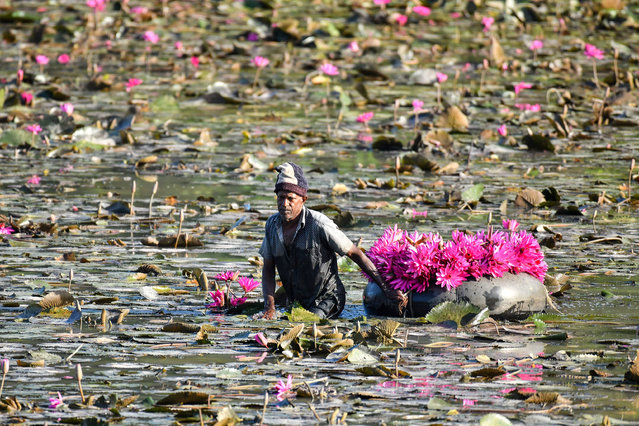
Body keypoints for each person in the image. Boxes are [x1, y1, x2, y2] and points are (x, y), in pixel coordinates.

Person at [259, 162, 406, 319]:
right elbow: (268, 267)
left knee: (309, 324)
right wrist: (270, 307)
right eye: (281, 198)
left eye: (290, 199)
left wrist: (386, 288)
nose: (284, 204)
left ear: (303, 199)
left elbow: (356, 253)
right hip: (297, 303)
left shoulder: (319, 224)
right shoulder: (272, 225)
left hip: (327, 299)